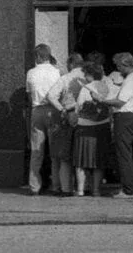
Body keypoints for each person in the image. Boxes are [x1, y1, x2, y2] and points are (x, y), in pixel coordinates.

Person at [98, 52, 133, 199]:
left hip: (124, 116)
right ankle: (132, 186)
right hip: (132, 116)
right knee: (130, 153)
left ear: (126, 64)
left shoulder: (131, 79)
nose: (118, 70)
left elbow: (120, 102)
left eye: (119, 66)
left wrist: (101, 100)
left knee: (124, 153)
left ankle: (128, 189)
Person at [45, 53, 86, 197]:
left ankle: (66, 188)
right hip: (86, 119)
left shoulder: (65, 78)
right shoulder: (88, 78)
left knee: (65, 156)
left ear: (71, 64)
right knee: (83, 156)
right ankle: (83, 187)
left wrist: (61, 108)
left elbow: (51, 96)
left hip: (67, 116)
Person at [25, 44, 62, 196]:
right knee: (55, 150)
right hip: (53, 110)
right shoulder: (57, 72)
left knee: (36, 151)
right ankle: (56, 185)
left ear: (38, 56)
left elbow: (29, 95)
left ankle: (34, 186)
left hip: (37, 110)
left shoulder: (31, 73)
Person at [72, 61, 112, 197]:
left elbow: (78, 107)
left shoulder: (86, 88)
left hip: (84, 127)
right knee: (98, 161)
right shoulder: (107, 87)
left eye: (85, 74)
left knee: (81, 161)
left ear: (90, 74)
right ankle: (96, 190)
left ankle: (80, 190)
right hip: (102, 127)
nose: (84, 77)